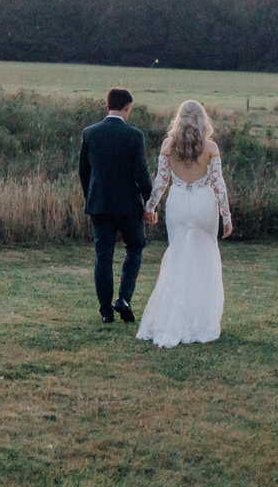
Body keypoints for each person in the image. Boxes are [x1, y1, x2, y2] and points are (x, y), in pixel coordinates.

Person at [136, 100, 234, 348]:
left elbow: (160, 183)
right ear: (203, 121)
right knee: (204, 259)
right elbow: (218, 185)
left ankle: (173, 316)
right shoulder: (210, 147)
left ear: (178, 120)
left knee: (178, 257)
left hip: (178, 205)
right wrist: (227, 216)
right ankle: (198, 319)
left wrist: (150, 207)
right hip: (203, 205)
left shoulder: (168, 146)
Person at [77, 87, 153, 325]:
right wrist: (151, 204)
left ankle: (106, 312)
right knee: (135, 247)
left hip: (99, 204)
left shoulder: (89, 133)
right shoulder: (134, 136)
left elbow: (84, 172)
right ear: (127, 107)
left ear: (107, 104)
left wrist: (90, 196)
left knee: (103, 256)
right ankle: (124, 299)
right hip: (128, 205)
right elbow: (141, 174)